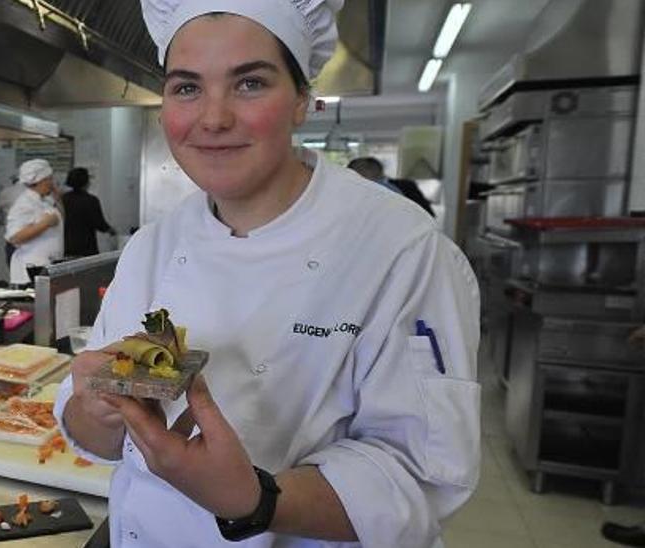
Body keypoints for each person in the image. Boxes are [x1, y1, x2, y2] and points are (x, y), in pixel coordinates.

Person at [54, 1, 481, 546]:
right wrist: (96, 408)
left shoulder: (401, 250)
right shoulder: (150, 246)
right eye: (187, 88)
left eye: (250, 83)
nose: (213, 118)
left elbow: (421, 479)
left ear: (303, 100)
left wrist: (254, 500)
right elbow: (99, 435)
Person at [5, 158, 64, 285]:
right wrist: (45, 224)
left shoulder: (44, 200)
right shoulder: (24, 203)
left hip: (45, 267)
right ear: (41, 180)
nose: (52, 183)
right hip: (30, 271)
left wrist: (56, 197)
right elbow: (14, 237)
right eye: (50, 179)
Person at [348, 156, 435, 217]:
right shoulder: (353, 192)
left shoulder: (406, 185)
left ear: (375, 169)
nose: (355, 174)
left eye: (359, 169)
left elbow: (426, 212)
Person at [62, 167, 117, 257]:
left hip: (66, 247)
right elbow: (99, 223)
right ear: (86, 182)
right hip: (86, 247)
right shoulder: (91, 200)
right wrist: (111, 230)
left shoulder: (63, 199)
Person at [0, 174, 26, 264]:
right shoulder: (37, 193)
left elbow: (0, 220)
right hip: (33, 241)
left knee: (15, 273)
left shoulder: (5, 192)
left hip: (13, 240)